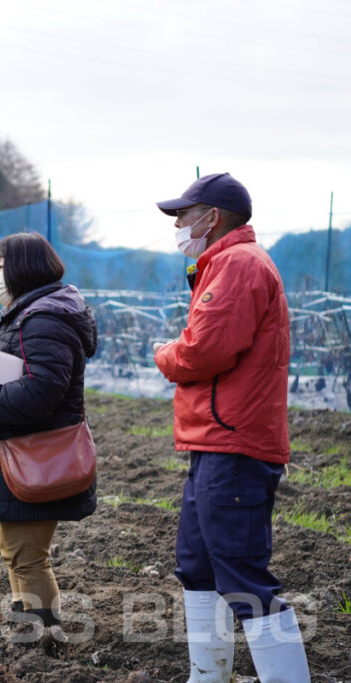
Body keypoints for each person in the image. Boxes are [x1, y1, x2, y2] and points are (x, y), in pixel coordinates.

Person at [153, 173, 310, 682]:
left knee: (242, 575)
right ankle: (208, 675)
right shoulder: (223, 263)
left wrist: (165, 353)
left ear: (211, 217)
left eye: (183, 214)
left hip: (235, 443)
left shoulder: (239, 264)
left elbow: (205, 350)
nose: (178, 225)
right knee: (197, 566)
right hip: (215, 441)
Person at [0, 232, 97, 634]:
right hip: (23, 449)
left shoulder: (44, 319)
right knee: (17, 551)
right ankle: (28, 629)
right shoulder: (29, 313)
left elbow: (41, 391)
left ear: (24, 267)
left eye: (0, 266)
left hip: (38, 455)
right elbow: (23, 371)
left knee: (28, 555)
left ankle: (41, 640)